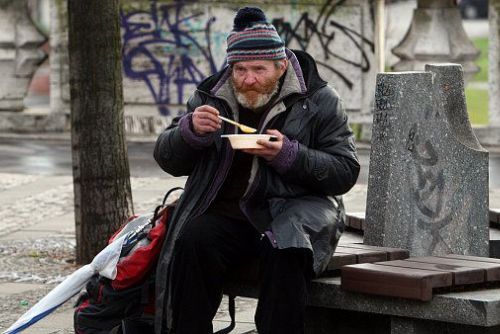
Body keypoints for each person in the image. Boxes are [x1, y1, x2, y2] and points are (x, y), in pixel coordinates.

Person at [153, 6, 360, 334]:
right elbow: (167, 158)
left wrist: (289, 156)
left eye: (258, 70)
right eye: (240, 70)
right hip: (228, 216)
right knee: (192, 238)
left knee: (286, 247)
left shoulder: (318, 99)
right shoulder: (212, 95)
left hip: (293, 213)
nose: (248, 80)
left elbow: (345, 171)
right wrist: (188, 133)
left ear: (281, 67)